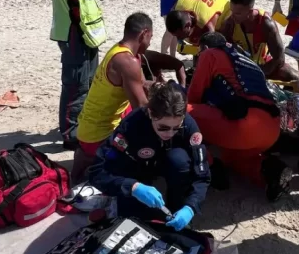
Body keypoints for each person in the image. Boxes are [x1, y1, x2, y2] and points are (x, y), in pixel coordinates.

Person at [73, 13, 186, 180]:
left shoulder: (119, 51)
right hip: (97, 135)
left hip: (87, 125)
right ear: (144, 34)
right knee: (152, 131)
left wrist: (157, 85)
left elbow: (141, 82)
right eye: (150, 38)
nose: (149, 43)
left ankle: (86, 157)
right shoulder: (128, 62)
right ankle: (92, 157)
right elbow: (142, 109)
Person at [86, 83, 209, 229]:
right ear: (151, 114)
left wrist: (191, 207)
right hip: (137, 168)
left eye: (176, 128)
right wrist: (132, 186)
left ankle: (176, 206)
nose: (169, 133)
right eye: (163, 127)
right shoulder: (131, 127)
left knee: (180, 160)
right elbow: (97, 172)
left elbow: (202, 175)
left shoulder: (189, 126)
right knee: (134, 222)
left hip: (169, 163)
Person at [188, 32, 291, 201]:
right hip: (272, 128)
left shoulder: (210, 54)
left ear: (204, 48)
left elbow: (194, 97)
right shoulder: (246, 60)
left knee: (177, 113)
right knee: (233, 157)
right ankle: (269, 170)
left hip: (246, 123)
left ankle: (209, 166)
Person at [51, 0, 125, 149]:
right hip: (73, 33)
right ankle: (70, 134)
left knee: (89, 81)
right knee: (76, 85)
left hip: (87, 32)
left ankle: (81, 124)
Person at [221, 0, 298, 82]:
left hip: (263, 65)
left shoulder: (266, 23)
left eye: (237, 13)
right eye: (232, 11)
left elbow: (279, 59)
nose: (232, 16)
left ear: (250, 12)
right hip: (240, 66)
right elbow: (222, 52)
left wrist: (257, 72)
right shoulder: (230, 23)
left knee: (293, 76)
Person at [164, 0, 232, 52]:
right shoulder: (177, 6)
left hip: (223, 1)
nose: (179, 38)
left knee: (219, 40)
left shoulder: (205, 23)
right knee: (197, 41)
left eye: (179, 36)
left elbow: (212, 47)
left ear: (187, 25)